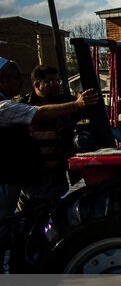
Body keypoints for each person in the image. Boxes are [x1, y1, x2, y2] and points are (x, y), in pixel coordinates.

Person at [0, 58, 98, 267]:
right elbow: (37, 114)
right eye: (17, 77)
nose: (20, 81)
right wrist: (76, 104)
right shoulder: (8, 107)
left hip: (37, 177)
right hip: (16, 180)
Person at [15, 65, 89, 213]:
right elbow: (40, 114)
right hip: (33, 171)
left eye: (57, 81)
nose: (56, 85)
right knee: (29, 211)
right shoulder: (24, 105)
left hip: (56, 170)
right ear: (37, 84)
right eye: (50, 82)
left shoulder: (65, 102)